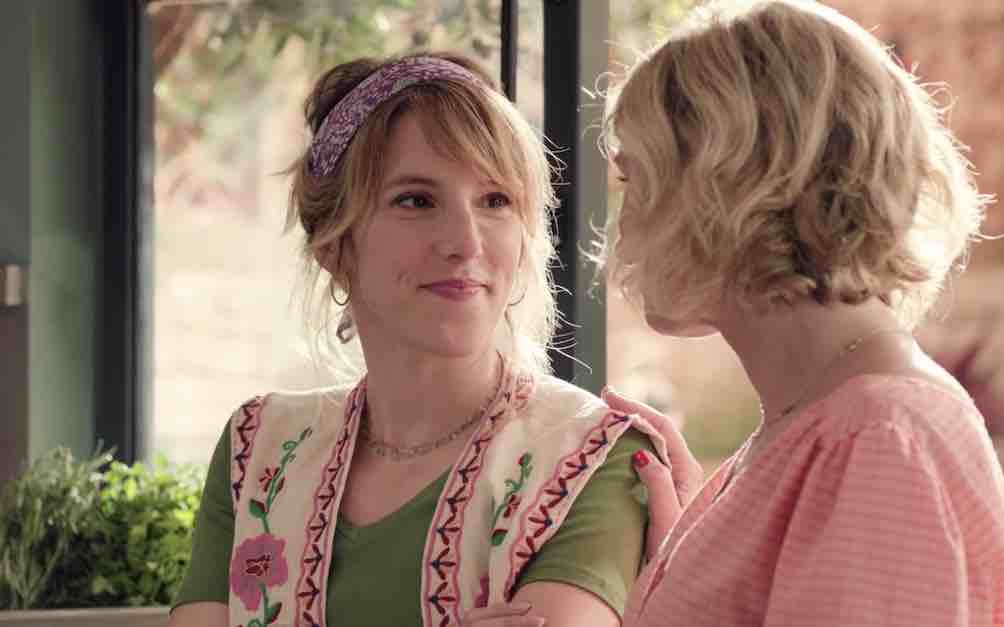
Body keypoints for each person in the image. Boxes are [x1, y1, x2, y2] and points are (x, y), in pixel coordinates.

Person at [470, 1, 1004, 625]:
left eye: (635, 180)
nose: (621, 223)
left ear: (732, 185)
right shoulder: (819, 422)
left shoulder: (876, 441)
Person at [168, 52, 666, 627]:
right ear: (334, 245)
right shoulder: (256, 450)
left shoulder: (596, 457)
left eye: (496, 201)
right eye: (416, 201)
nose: (466, 242)